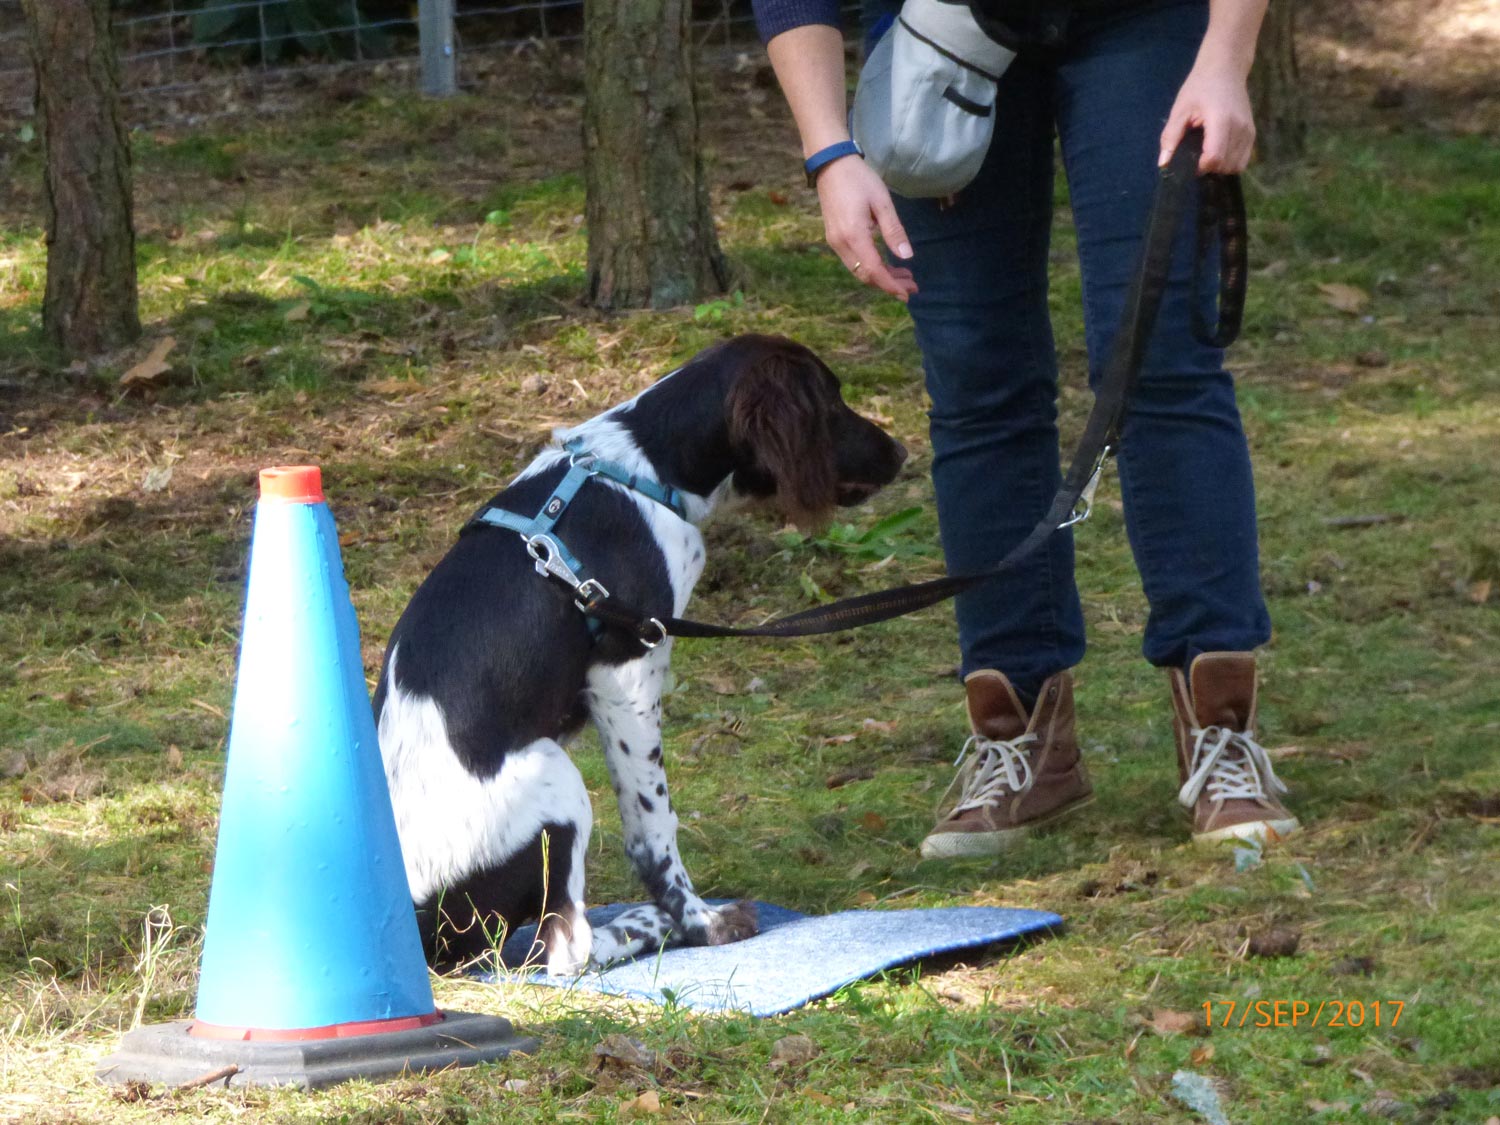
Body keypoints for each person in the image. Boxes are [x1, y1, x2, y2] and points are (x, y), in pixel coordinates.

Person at [752, 0, 1299, 856]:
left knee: (1163, 357)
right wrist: (829, 150)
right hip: (942, 26)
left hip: (1144, 22)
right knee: (976, 381)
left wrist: (1225, 57)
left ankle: (1223, 733)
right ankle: (1020, 739)